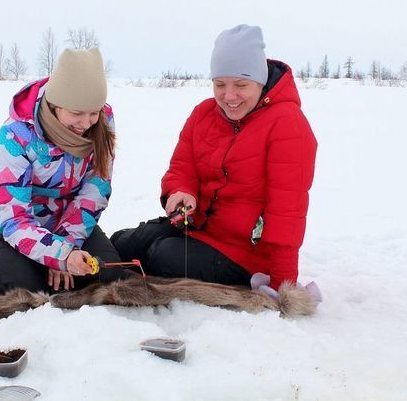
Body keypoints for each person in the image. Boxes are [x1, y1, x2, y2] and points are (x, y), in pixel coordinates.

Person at [111, 25, 317, 295]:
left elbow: (287, 212)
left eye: (240, 85)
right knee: (123, 243)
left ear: (260, 81)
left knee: (162, 256)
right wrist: (181, 192)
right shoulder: (204, 113)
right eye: (220, 84)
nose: (229, 96)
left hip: (245, 253)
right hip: (197, 230)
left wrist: (282, 285)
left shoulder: (288, 125)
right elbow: (182, 168)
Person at [0, 48, 123, 295]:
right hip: (12, 223)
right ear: (55, 104)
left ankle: (37, 262)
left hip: (68, 220)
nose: (86, 124)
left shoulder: (103, 121)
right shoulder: (15, 135)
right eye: (76, 113)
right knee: (19, 286)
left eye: (93, 113)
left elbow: (96, 190)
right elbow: (13, 216)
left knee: (107, 274)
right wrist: (60, 255)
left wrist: (67, 247)